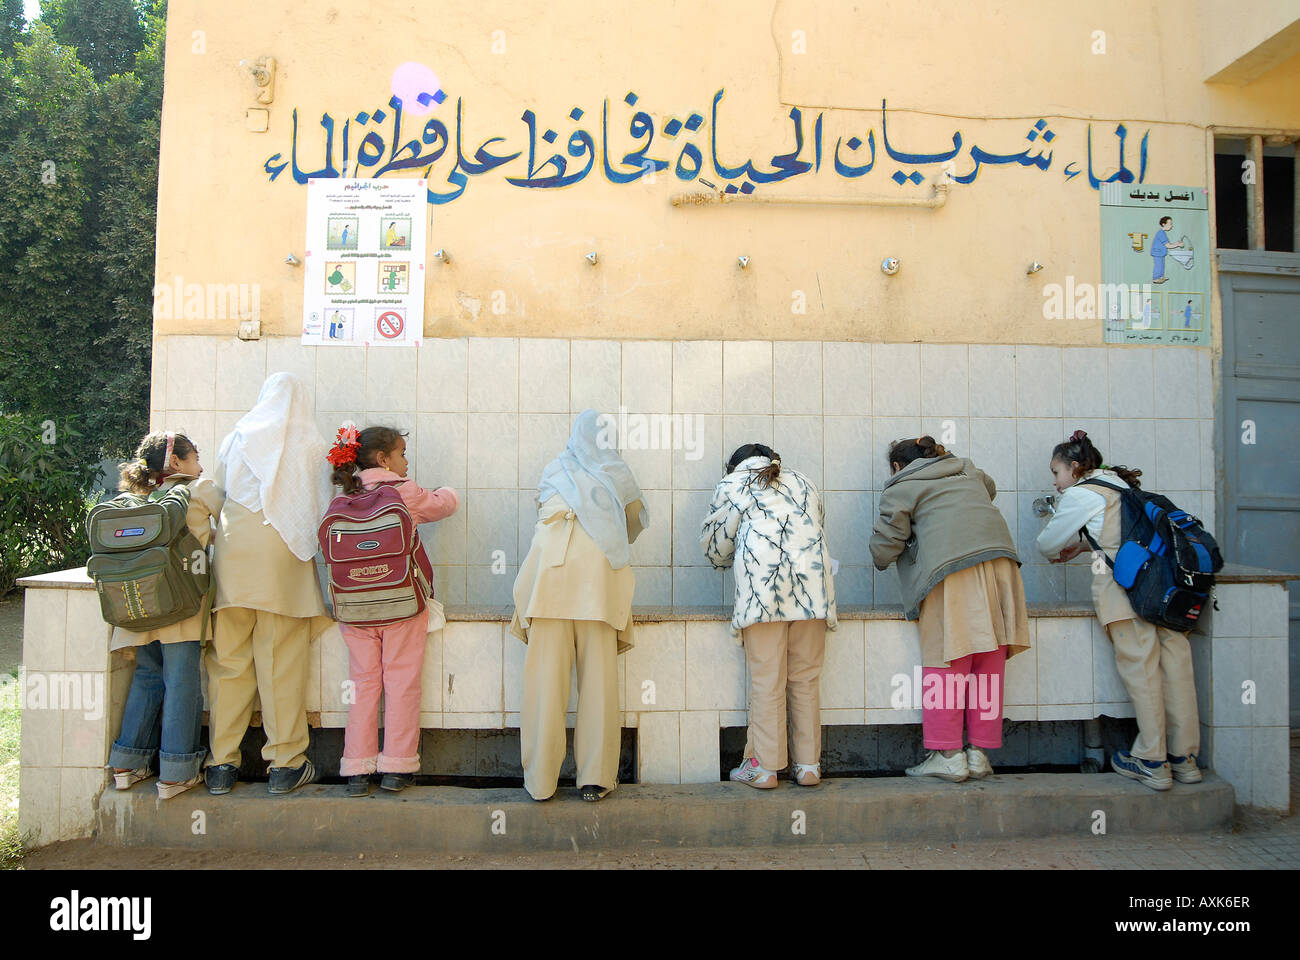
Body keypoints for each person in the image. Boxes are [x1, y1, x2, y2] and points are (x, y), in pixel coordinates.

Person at [1035, 430, 1201, 791]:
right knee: (1176, 671)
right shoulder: (1122, 487)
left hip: (1126, 595)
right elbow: (1119, 536)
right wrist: (1085, 546)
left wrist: (1064, 543)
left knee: (1143, 673)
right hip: (1166, 592)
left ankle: (1151, 761)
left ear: (1075, 468)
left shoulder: (1081, 494)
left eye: (1057, 472)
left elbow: (1046, 544)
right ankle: (1184, 759)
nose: (1055, 481)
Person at [203, 372, 335, 796]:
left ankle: (221, 765)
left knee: (229, 663)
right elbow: (320, 508)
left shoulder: (237, 437)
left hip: (234, 558)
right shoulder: (313, 446)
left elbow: (219, 494)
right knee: (280, 663)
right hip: (281, 560)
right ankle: (285, 765)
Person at [869, 436, 1030, 783]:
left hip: (952, 569)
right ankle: (978, 753)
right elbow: (990, 487)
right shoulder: (965, 468)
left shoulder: (903, 484)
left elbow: (884, 549)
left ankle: (948, 754)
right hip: (1001, 561)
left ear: (898, 466)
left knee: (948, 659)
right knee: (989, 656)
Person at [511, 409, 648, 802]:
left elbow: (540, 512)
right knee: (600, 686)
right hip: (598, 590)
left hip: (550, 585)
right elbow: (634, 526)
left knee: (544, 688)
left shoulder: (555, 469)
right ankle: (595, 779)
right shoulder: (617, 472)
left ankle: (540, 782)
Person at [328, 424, 459, 796]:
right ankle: (397, 768)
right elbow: (442, 505)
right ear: (384, 458)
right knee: (401, 683)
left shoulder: (345, 496)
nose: (406, 461)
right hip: (402, 605)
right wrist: (449, 492)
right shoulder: (404, 491)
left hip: (355, 610)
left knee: (363, 685)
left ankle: (356, 769)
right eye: (402, 453)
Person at [701, 443, 836, 789]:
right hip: (813, 594)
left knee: (767, 681)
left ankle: (765, 768)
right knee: (805, 679)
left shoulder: (732, 485)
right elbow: (816, 526)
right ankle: (808, 767)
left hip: (765, 597)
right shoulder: (805, 482)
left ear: (733, 465)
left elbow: (716, 547)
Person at [107, 431, 224, 799]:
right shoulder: (199, 488)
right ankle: (176, 770)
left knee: (147, 676)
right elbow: (232, 527)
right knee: (182, 682)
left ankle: (127, 762)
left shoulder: (137, 496)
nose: (201, 465)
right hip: (182, 604)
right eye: (195, 457)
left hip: (140, 605)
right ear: (177, 463)